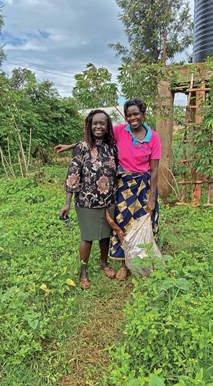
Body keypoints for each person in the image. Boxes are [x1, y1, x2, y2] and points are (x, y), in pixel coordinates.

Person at [55, 98, 161, 281]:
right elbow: (91, 143)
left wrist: (152, 198)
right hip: (108, 192)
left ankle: (140, 261)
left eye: (136, 114)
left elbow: (155, 170)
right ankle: (114, 266)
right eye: (128, 115)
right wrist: (70, 147)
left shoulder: (143, 139)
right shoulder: (117, 133)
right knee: (114, 225)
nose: (132, 118)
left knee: (132, 226)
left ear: (143, 113)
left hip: (128, 192)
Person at [59, 109, 118, 290]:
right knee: (87, 237)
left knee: (105, 235)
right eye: (95, 123)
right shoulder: (82, 147)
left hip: (109, 199)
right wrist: (67, 203)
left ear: (108, 126)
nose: (98, 126)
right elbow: (73, 175)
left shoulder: (112, 146)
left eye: (102, 123)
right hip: (87, 200)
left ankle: (104, 264)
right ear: (89, 125)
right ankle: (83, 273)